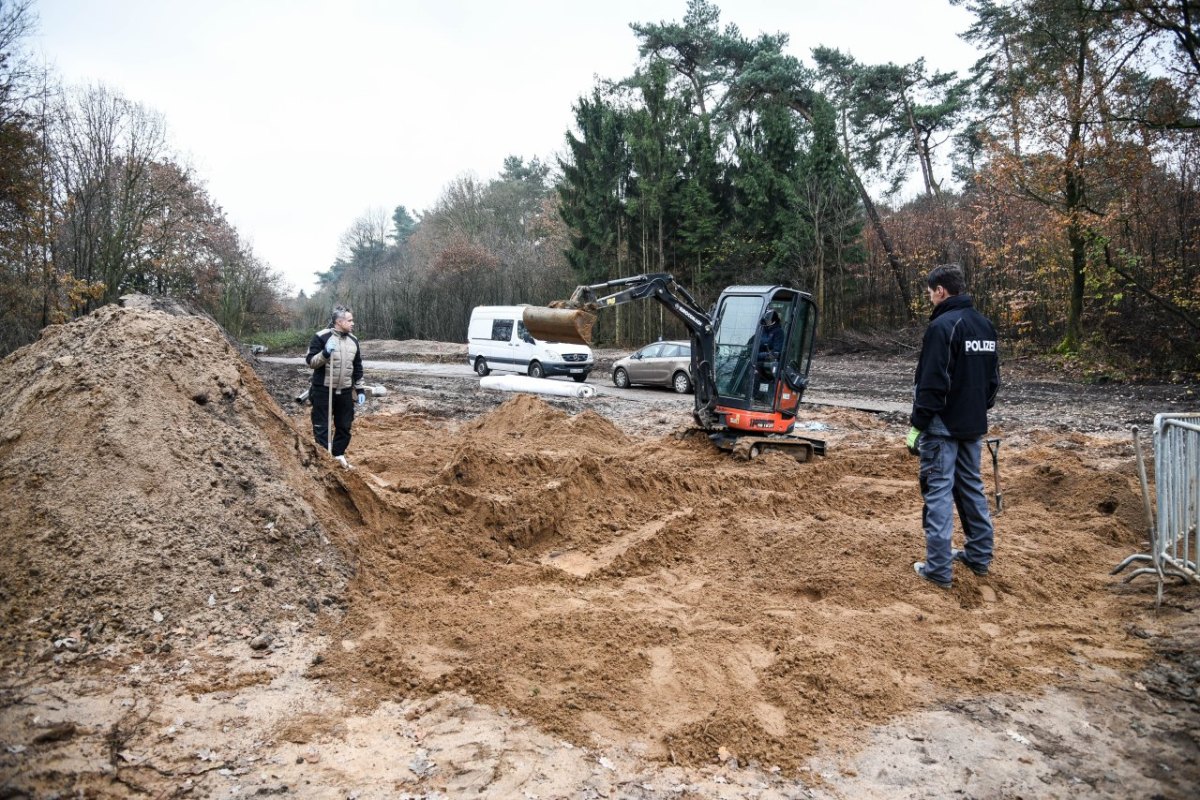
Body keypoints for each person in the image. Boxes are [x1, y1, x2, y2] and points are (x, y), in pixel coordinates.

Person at [908, 265, 1000, 589]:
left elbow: (933, 382)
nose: (930, 297)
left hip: (941, 427)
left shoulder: (943, 326)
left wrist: (918, 424)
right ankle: (978, 557)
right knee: (971, 488)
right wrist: (975, 409)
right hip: (972, 426)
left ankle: (937, 569)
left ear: (941, 290)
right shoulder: (985, 326)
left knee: (938, 493)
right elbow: (993, 383)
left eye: (930, 292)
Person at [306, 305, 365, 469]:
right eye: (350, 320)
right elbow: (311, 362)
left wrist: (359, 389)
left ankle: (338, 456)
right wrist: (325, 353)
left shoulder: (354, 340)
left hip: (345, 391)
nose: (353, 323)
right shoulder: (321, 337)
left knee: (344, 426)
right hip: (323, 390)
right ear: (339, 321)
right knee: (322, 426)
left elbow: (357, 366)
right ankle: (324, 460)